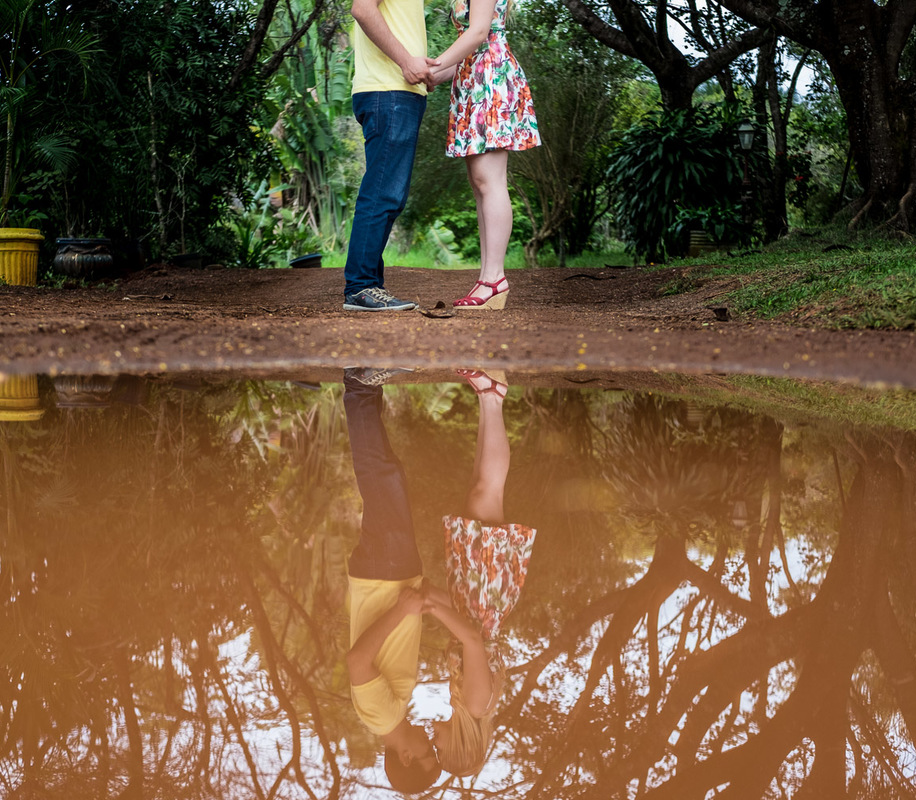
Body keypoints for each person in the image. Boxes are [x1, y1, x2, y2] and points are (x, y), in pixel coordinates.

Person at [422, 369, 536, 775]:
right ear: (457, 747)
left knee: (479, 489)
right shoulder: (475, 705)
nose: (433, 742)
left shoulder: (473, 705)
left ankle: (489, 396)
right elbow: (471, 639)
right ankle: (493, 396)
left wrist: (432, 599)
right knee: (487, 492)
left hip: (475, 597)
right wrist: (429, 608)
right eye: (440, 750)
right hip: (483, 599)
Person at [341, 367, 443, 792]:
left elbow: (356, 662)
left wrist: (403, 606)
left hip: (383, 577)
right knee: (389, 477)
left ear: (406, 758)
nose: (431, 743)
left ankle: (359, 386)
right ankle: (368, 385)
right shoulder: (394, 711)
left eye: (427, 754)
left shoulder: (381, 717)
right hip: (393, 575)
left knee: (381, 478)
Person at [429, 0, 540, 310]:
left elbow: (478, 33)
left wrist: (435, 65)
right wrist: (436, 74)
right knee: (480, 182)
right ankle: (486, 278)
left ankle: (494, 279)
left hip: (490, 79)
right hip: (473, 79)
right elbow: (472, 39)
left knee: (490, 180)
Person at [342, 0, 441, 312]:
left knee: (390, 195)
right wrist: (406, 62)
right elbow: (362, 9)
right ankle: (360, 286)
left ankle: (370, 283)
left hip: (399, 91)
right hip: (389, 90)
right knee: (383, 191)